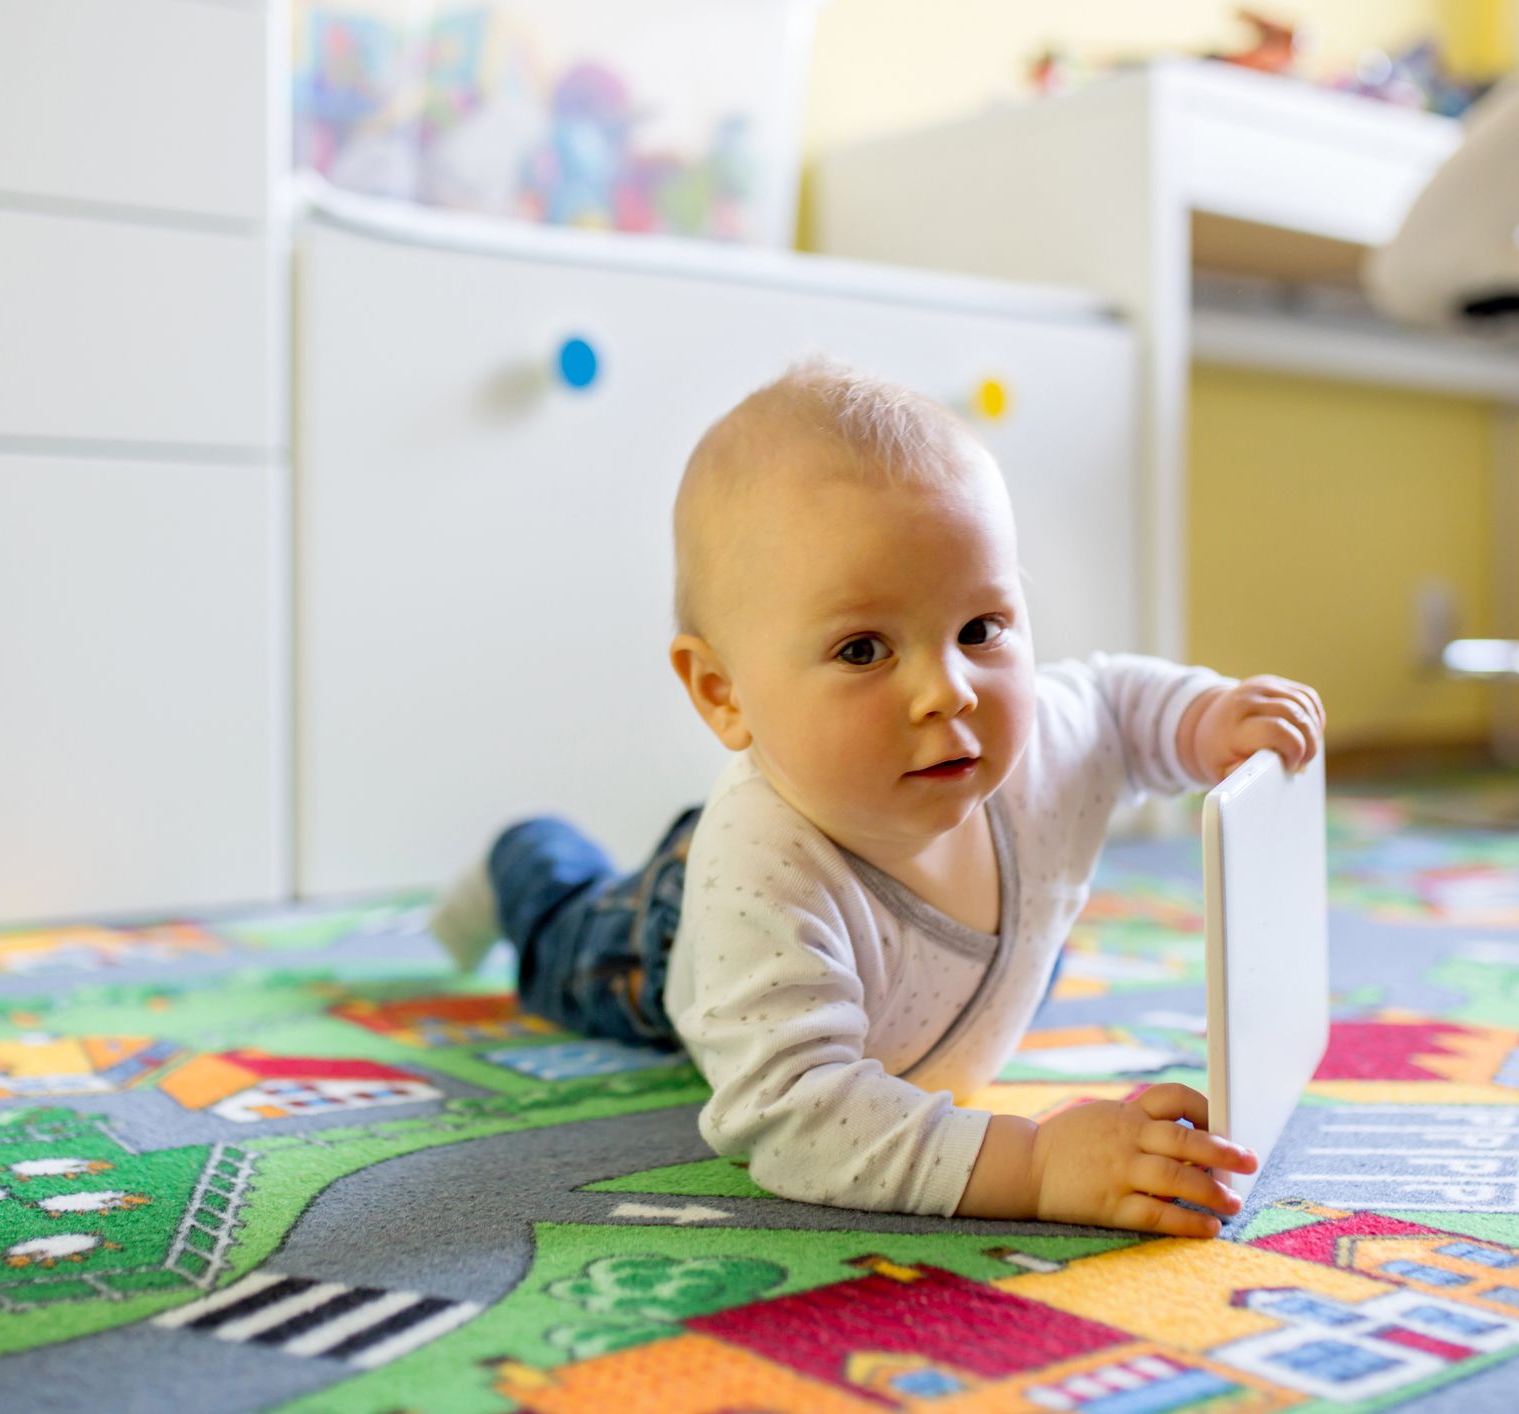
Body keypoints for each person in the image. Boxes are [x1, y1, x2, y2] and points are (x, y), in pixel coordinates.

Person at [432, 358, 1324, 1236]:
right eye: (863, 650)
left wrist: (1206, 718)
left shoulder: (1033, 741)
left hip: (939, 983)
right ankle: (524, 858)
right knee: (565, 936)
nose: (949, 692)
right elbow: (794, 1120)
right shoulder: (760, 873)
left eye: (980, 629)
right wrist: (1040, 1163)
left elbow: (1114, 705)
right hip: (669, 928)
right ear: (721, 693)